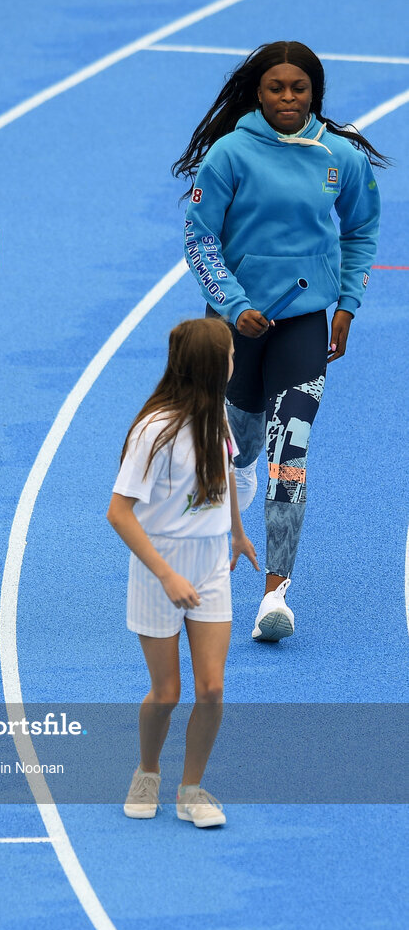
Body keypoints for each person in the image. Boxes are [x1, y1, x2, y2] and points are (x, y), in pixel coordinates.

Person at [173, 41, 385, 642]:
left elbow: (362, 228)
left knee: (289, 456)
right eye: (275, 88)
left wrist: (347, 304)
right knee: (235, 453)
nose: (287, 98)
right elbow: (199, 240)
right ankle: (210, 552)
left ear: (315, 92)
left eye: (299, 88)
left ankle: (275, 593)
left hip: (304, 325)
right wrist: (235, 306)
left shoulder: (338, 157)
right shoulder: (228, 155)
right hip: (234, 329)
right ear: (257, 92)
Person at [107, 318, 258, 827]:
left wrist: (237, 531)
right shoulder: (155, 430)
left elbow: (228, 473)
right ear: (213, 366)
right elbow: (119, 512)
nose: (236, 363)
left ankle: (191, 789)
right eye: (231, 356)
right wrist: (167, 575)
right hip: (159, 568)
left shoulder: (216, 415)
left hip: (212, 562)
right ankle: (147, 772)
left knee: (212, 689)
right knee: (167, 692)